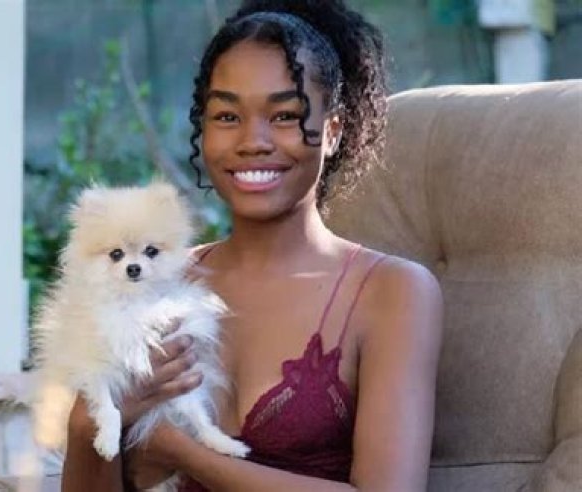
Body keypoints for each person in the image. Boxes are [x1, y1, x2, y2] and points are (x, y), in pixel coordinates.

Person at [61, 1, 443, 491]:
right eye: (227, 115)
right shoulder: (151, 283)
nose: (252, 141)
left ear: (332, 132)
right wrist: (85, 423)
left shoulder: (392, 292)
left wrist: (182, 451)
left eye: (284, 115)